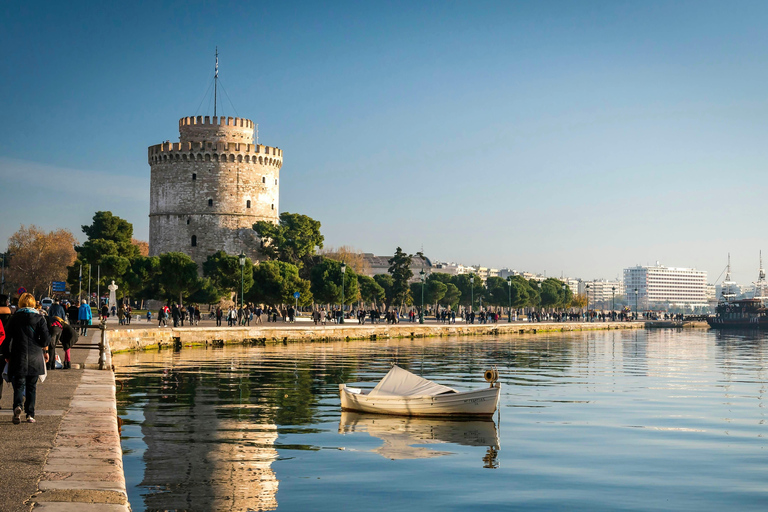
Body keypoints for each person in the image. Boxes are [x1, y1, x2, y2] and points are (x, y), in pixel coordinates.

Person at [0, 292, 51, 424]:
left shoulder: (14, 319)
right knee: (31, 387)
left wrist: (6, 355)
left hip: (18, 355)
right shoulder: (40, 319)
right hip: (35, 356)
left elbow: (7, 339)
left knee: (19, 385)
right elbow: (45, 340)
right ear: (34, 304)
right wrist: (44, 349)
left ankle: (18, 407)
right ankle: (30, 414)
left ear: (20, 304)